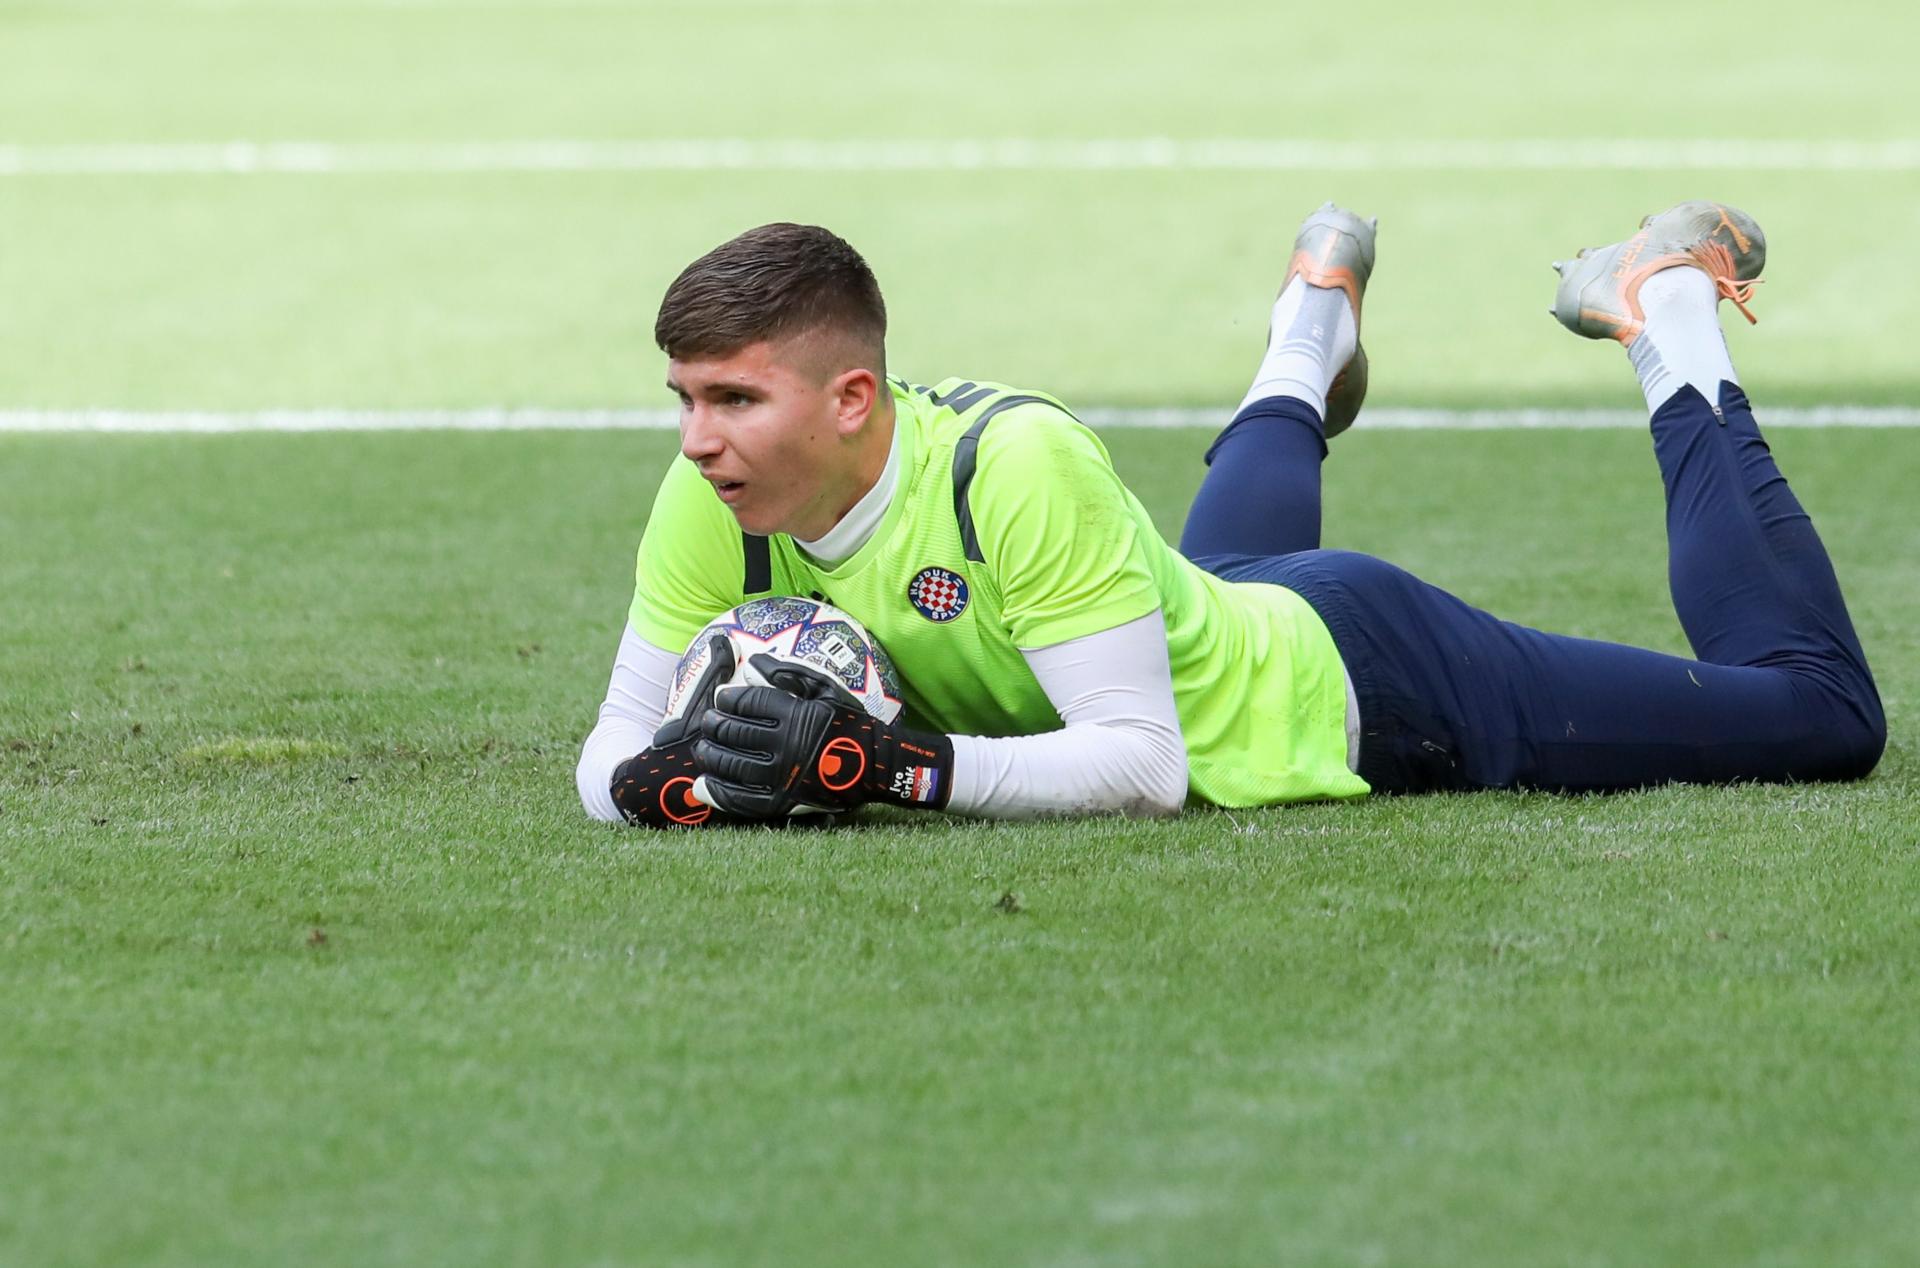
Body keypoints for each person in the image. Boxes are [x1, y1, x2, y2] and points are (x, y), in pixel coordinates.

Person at [576, 202, 1886, 828]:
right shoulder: (715, 496)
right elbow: (611, 752)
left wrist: (886, 768)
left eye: (735, 400)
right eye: (685, 400)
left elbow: (1144, 764)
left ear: (852, 397)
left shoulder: (1010, 467)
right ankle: (1307, 330)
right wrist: (679, 781)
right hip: (1210, 614)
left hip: (1361, 681)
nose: (698, 439)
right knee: (1215, 575)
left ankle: (1665, 312)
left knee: (1818, 716)